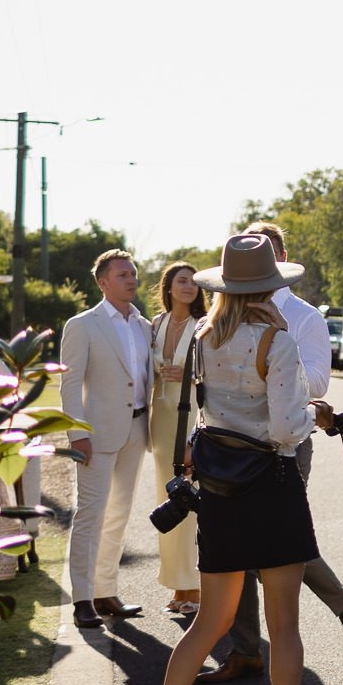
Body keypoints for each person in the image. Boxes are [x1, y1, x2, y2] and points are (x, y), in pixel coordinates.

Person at [132, 234, 322, 685]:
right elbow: (288, 428)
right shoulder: (276, 341)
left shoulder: (203, 335)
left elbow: (206, 411)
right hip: (273, 484)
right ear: (270, 286)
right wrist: (321, 415)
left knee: (210, 620)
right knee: (283, 623)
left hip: (221, 489)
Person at [199, 223, 343, 684]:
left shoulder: (302, 319)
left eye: (269, 259)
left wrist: (273, 368)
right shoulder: (218, 323)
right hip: (225, 449)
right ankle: (245, 650)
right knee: (239, 552)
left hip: (284, 448)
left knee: (278, 549)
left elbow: (317, 381)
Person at [59, 249, 151, 631]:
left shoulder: (144, 326)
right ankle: (82, 598)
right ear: (103, 282)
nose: (131, 279)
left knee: (118, 514)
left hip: (137, 429)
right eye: (123, 274)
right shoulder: (83, 324)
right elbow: (69, 383)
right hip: (95, 436)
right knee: (91, 515)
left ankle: (106, 591)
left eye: (133, 273)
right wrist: (77, 433)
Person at [148, 261, 206, 622]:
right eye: (181, 281)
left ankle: (196, 586)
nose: (188, 287)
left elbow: (212, 371)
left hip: (192, 418)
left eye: (194, 282)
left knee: (191, 499)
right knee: (165, 499)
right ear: (168, 286)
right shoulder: (156, 324)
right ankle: (177, 584)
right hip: (161, 421)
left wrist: (186, 372)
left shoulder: (204, 325)